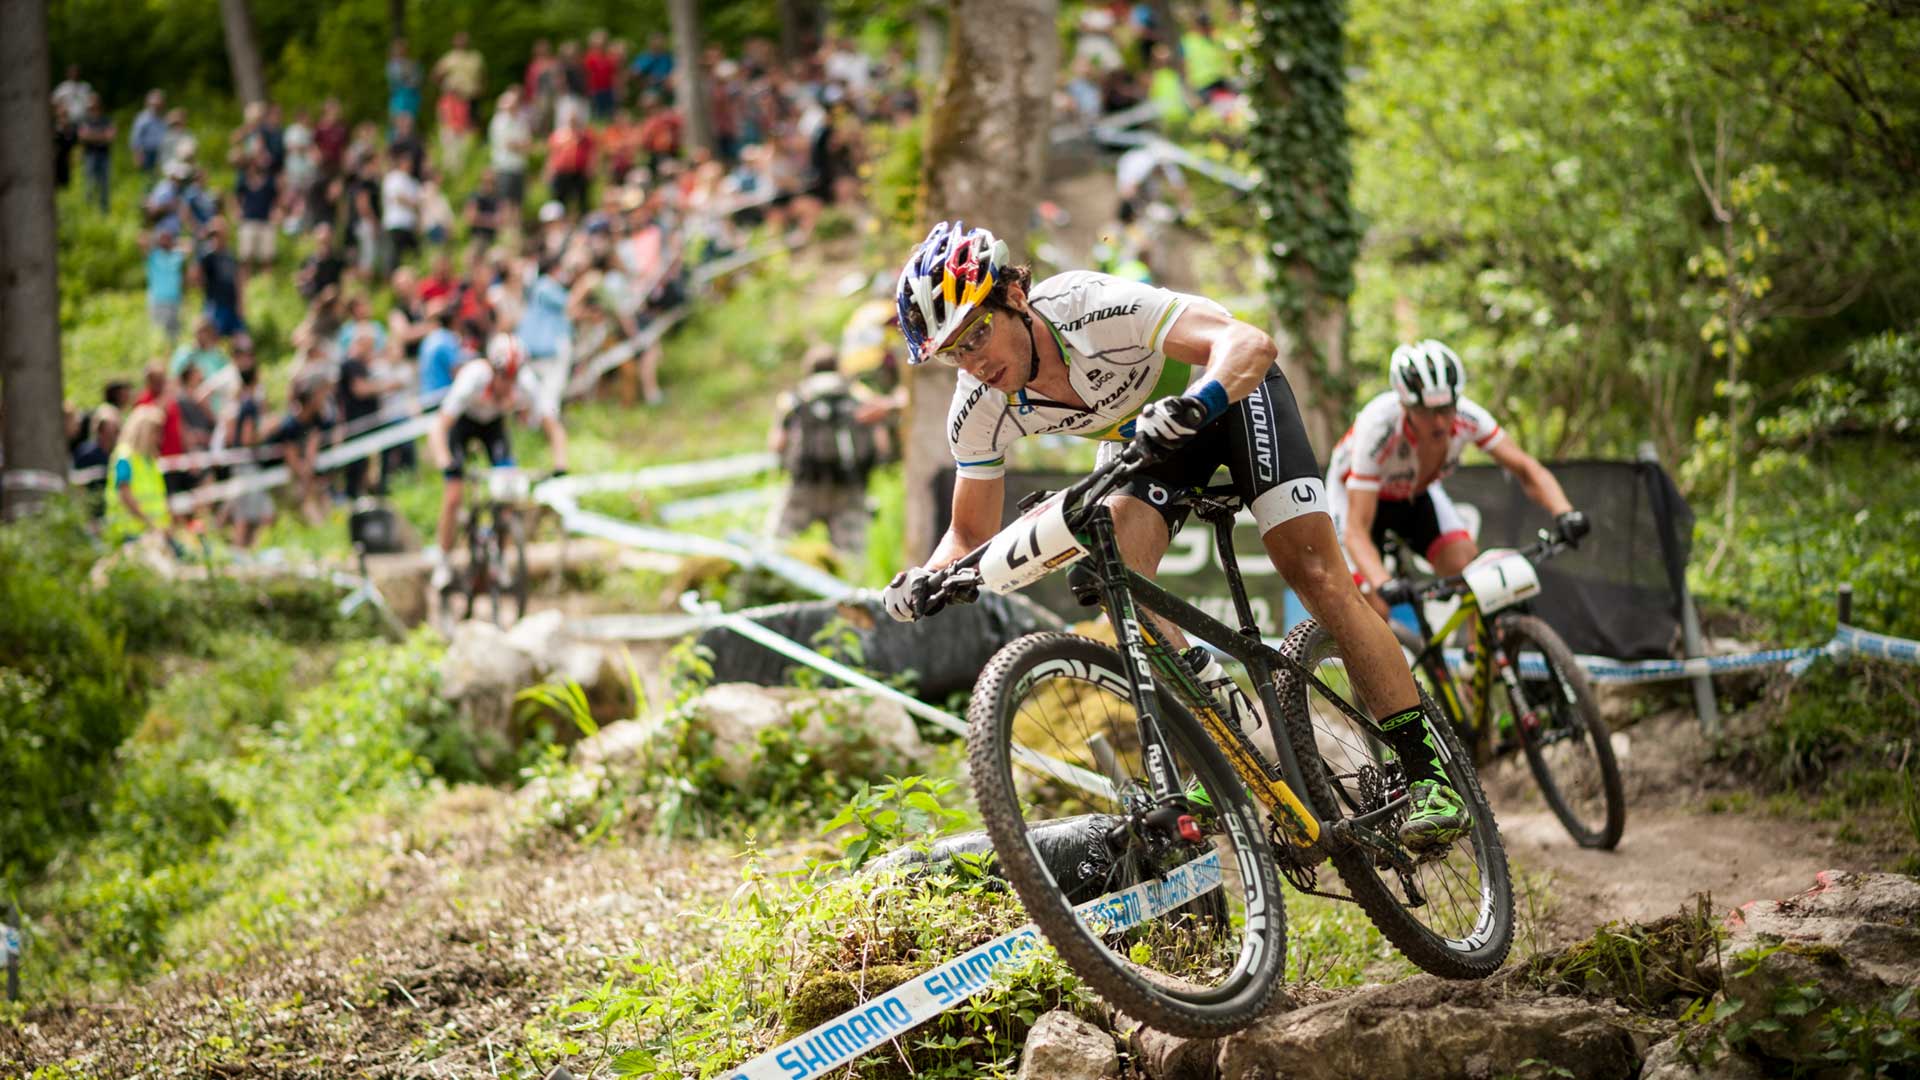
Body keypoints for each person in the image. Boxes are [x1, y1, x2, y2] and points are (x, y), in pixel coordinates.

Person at [880, 221, 1474, 853]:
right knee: (1112, 577)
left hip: (1229, 396)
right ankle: (1227, 734)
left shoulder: (1088, 306)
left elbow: (1249, 342)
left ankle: (1429, 774)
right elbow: (968, 532)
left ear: (1015, 297)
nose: (973, 362)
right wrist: (928, 576)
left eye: (976, 333)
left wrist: (1200, 401)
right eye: (954, 352)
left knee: (1319, 577)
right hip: (1152, 444)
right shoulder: (977, 405)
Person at [1327, 340, 1589, 615]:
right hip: (1355, 500)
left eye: (1446, 409)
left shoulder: (1468, 417)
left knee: (1472, 576)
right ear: (1405, 407)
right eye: (1427, 412)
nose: (1439, 422)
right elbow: (1356, 530)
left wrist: (1564, 512)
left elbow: (1525, 468)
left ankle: (1484, 643)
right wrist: (1383, 582)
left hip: (1416, 493)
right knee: (1371, 609)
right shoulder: (1378, 427)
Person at [426, 334, 569, 590]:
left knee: (507, 495)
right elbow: (439, 428)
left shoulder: (527, 383)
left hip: (494, 427)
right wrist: (444, 460)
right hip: (462, 426)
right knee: (454, 496)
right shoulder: (472, 378)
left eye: (513, 378)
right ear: (492, 370)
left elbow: (553, 427)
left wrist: (560, 464)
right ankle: (444, 560)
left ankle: (499, 557)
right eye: (504, 377)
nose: (508, 384)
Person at [769, 344, 884, 557]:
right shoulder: (858, 393)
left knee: (778, 547)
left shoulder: (796, 396)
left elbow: (777, 443)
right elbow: (881, 443)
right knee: (850, 557)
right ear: (838, 366)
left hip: (805, 484)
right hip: (849, 485)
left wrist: (784, 464)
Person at [105, 404, 174, 547]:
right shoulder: (124, 457)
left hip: (152, 531)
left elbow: (158, 497)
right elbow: (125, 495)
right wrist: (150, 523)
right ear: (144, 432)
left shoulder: (149, 460)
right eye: (155, 433)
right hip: (129, 533)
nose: (159, 438)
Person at [141, 229, 191, 346]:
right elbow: (142, 240)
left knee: (175, 336)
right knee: (157, 336)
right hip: (157, 301)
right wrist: (156, 240)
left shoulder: (176, 255)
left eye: (167, 238)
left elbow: (189, 245)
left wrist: (174, 243)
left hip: (175, 301)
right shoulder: (153, 255)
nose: (165, 241)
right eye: (162, 238)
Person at [198, 219, 246, 337]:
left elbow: (238, 279)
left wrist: (241, 303)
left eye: (219, 235)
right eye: (213, 235)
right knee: (212, 336)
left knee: (241, 337)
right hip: (214, 304)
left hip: (231, 304)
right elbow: (196, 278)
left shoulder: (231, 256)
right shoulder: (206, 256)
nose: (216, 238)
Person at [233, 152, 280, 270]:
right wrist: (238, 210)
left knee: (267, 256)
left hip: (265, 221)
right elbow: (236, 197)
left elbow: (276, 199)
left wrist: (275, 211)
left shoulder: (269, 180)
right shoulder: (242, 179)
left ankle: (266, 280)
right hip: (248, 221)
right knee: (245, 257)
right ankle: (245, 281)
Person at [77, 94, 116, 212]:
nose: (93, 108)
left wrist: (91, 135)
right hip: (90, 155)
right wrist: (101, 136)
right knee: (89, 183)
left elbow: (110, 137)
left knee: (104, 184)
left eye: (95, 106)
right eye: (91, 106)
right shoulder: (85, 120)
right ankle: (88, 209)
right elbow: (83, 136)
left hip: (104, 155)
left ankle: (104, 210)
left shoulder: (106, 120)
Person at [130, 90, 168, 173]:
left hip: (161, 152)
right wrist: (137, 155)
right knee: (147, 176)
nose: (157, 106)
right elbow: (136, 137)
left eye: (159, 103)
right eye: (154, 104)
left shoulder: (163, 117)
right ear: (148, 103)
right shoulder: (142, 118)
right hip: (146, 152)